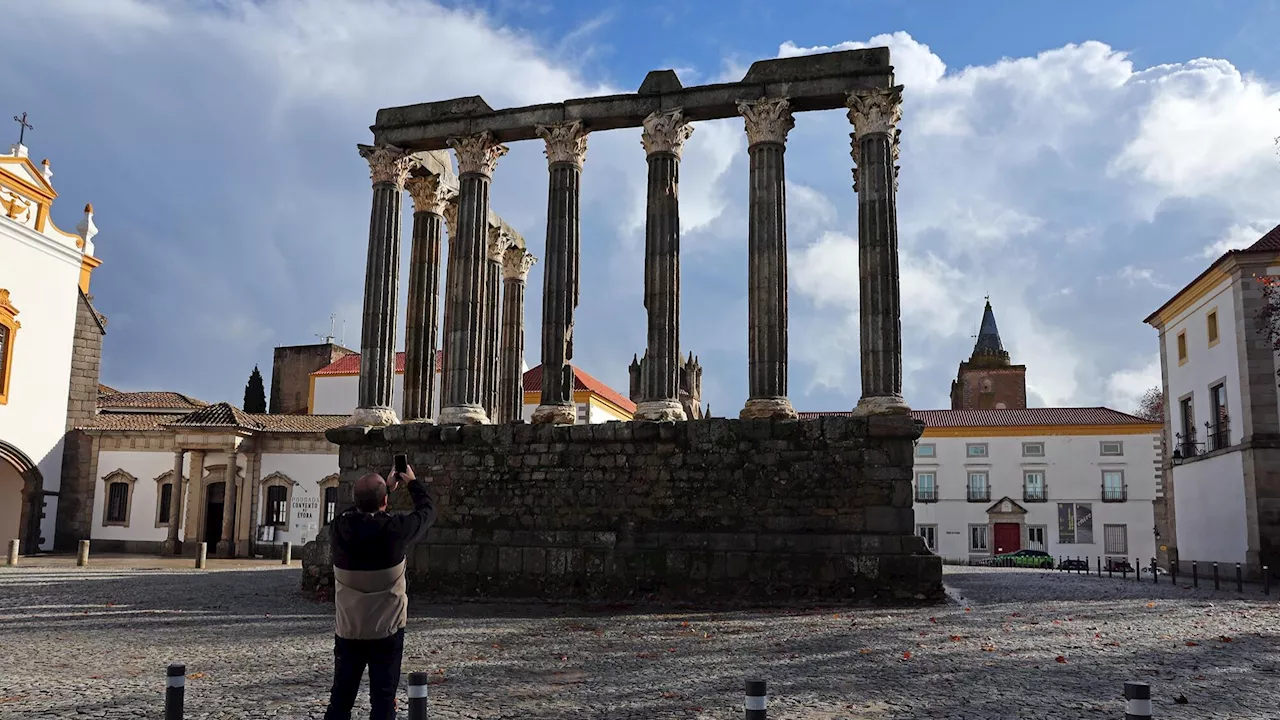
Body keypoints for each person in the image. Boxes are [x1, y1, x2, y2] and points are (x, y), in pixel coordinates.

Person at [324, 463, 436, 720]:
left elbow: (354, 511)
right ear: (385, 500)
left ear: (355, 499)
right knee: (383, 702)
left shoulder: (339, 529)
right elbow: (427, 512)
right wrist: (411, 484)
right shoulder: (395, 530)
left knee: (340, 700)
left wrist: (381, 491)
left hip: (350, 628)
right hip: (387, 629)